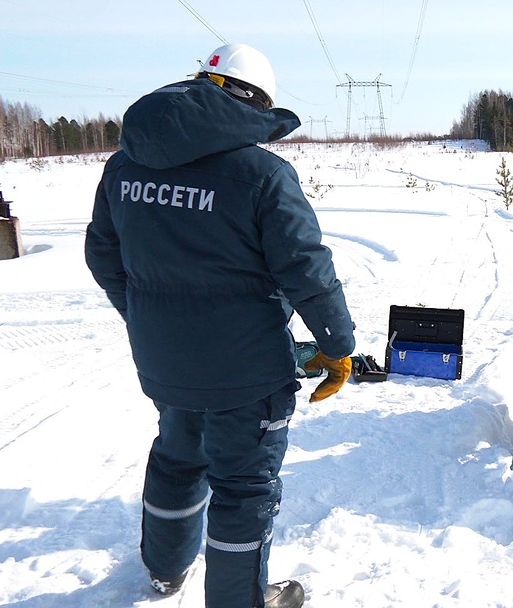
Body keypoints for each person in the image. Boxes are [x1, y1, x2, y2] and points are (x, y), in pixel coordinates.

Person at [85, 43, 355, 608]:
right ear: (254, 105)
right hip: (248, 373)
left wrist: (146, 317)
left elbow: (104, 257)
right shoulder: (261, 174)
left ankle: (164, 572)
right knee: (243, 486)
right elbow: (307, 270)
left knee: (177, 459)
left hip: (166, 364)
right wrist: (336, 345)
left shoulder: (124, 166)